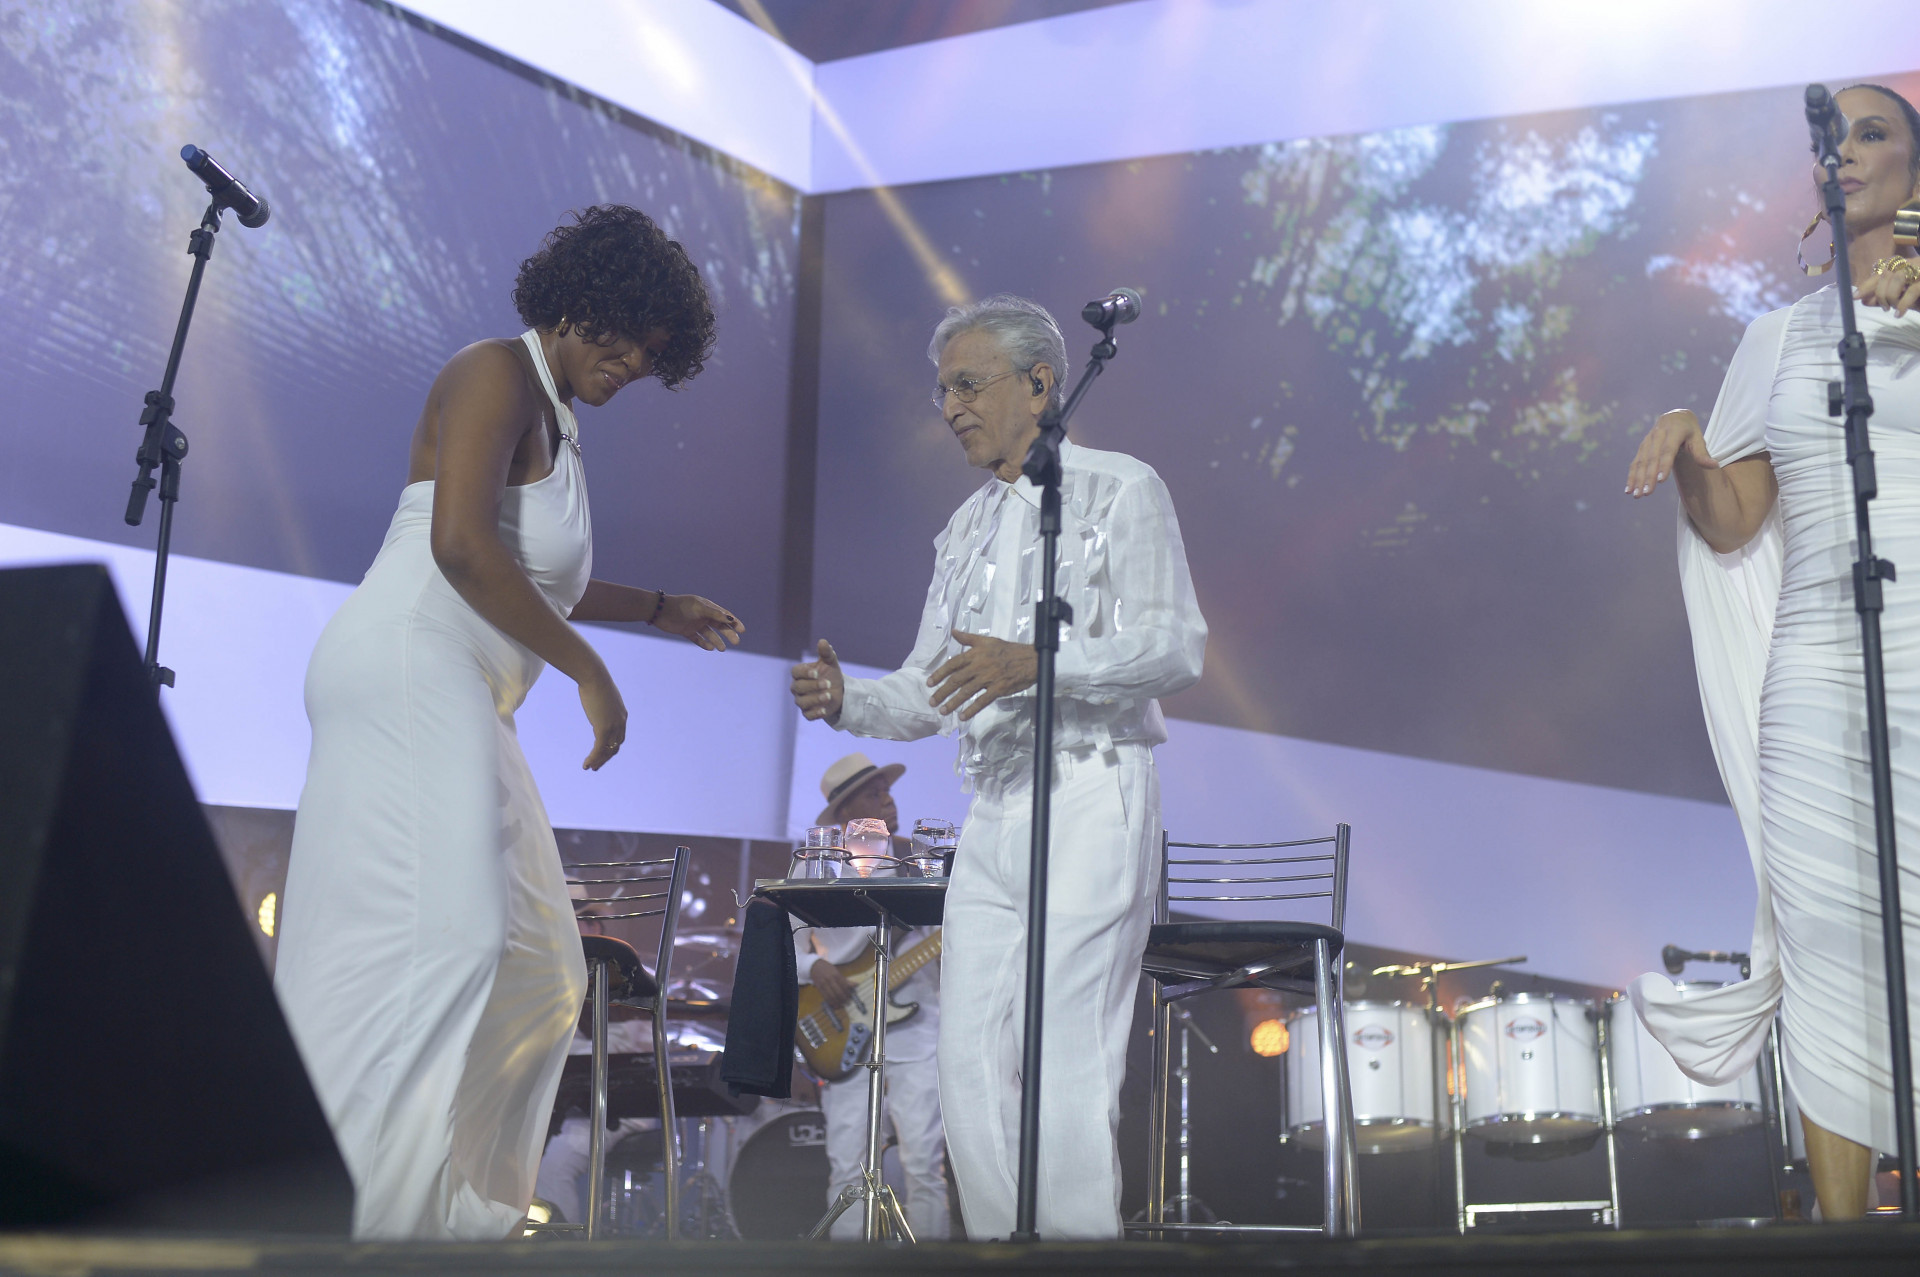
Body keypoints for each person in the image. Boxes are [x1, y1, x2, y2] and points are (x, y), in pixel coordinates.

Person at [273, 205, 744, 1240]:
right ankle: (367, 1218)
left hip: (465, 689)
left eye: (649, 355)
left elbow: (540, 570)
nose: (628, 363)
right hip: (408, 662)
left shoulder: (559, 422)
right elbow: (460, 546)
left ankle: (455, 1214)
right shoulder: (493, 370)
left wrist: (662, 606)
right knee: (451, 937)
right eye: (618, 336)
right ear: (576, 304)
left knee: (543, 965)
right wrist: (592, 672)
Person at [789, 295, 1207, 1238]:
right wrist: (847, 698)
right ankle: (998, 1250)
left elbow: (1176, 649)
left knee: (1065, 1047)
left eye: (968, 385)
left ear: (1041, 384)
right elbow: (931, 689)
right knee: (968, 1055)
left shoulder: (1119, 488)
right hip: (995, 806)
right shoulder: (965, 528)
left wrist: (1042, 664)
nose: (951, 407)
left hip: (1095, 787)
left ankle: (1075, 1249)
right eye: (942, 391)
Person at [1623, 84, 1920, 1221]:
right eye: (1829, 140)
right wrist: (1696, 449)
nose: (1844, 154)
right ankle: (1843, 1237)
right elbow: (1737, 518)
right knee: (1826, 935)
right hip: (1814, 664)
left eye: (1874, 132)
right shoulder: (1777, 337)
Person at [794, 752, 949, 1240]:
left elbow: (944, 947)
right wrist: (814, 965)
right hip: (840, 1032)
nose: (888, 800)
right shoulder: (817, 866)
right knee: (847, 1167)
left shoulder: (916, 864)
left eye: (888, 791)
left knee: (925, 1165)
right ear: (844, 813)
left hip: (916, 1028)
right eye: (873, 793)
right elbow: (782, 945)